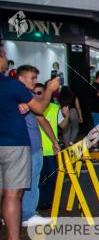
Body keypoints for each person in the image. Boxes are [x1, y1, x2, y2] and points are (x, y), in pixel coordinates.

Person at [0, 46, 59, 240]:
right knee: (13, 194)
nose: (7, 59)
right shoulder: (10, 85)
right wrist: (50, 89)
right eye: (4, 54)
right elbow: (40, 109)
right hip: (13, 145)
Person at [18, 69, 57, 228]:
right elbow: (41, 110)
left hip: (35, 148)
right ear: (21, 78)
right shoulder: (18, 97)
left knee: (32, 182)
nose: (34, 81)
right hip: (21, 148)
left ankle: (26, 213)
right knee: (21, 184)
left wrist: (54, 140)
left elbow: (42, 119)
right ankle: (25, 214)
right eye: (31, 78)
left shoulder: (29, 98)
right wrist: (48, 90)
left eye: (36, 78)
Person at [35, 82, 63, 212]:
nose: (36, 96)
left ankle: (51, 201)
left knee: (52, 178)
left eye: (39, 93)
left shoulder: (54, 108)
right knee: (38, 180)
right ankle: (41, 203)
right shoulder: (29, 108)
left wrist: (67, 115)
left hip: (51, 150)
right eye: (34, 93)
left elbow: (63, 125)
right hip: (36, 150)